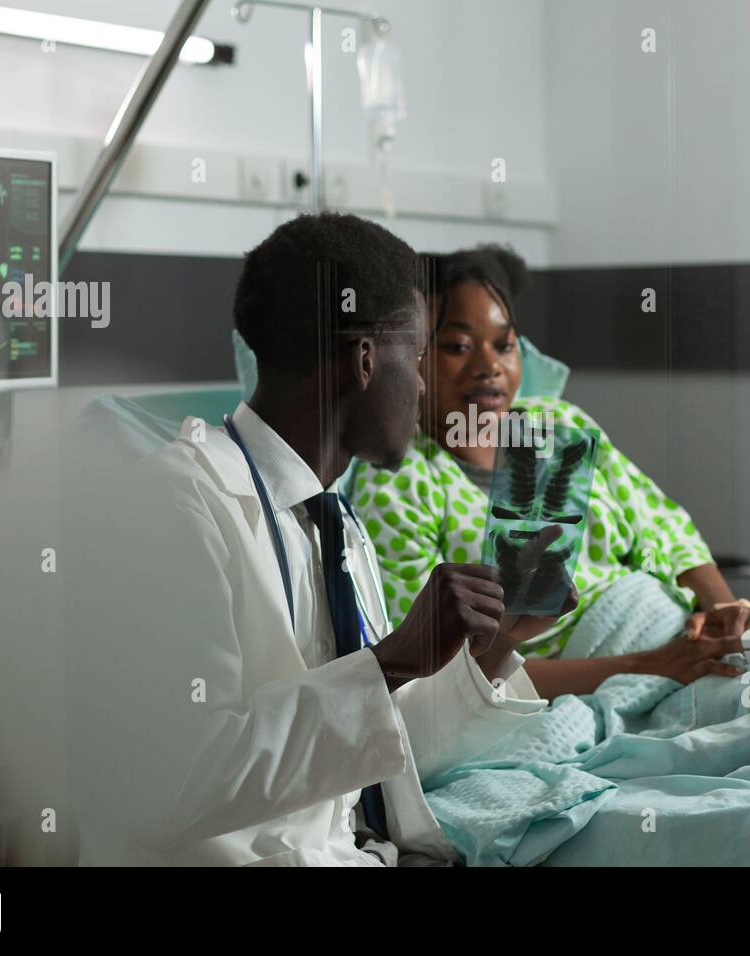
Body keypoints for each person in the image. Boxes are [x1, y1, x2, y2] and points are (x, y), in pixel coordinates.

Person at [68, 215, 568, 866]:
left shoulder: (332, 523)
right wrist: (390, 661)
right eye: (418, 356)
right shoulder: (175, 509)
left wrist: (497, 642)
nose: (422, 388)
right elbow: (165, 782)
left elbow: (378, 744)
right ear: (363, 359)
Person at [350, 245, 750, 700]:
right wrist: (647, 667)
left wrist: (728, 611)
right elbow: (440, 675)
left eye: (504, 345)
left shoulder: (555, 427)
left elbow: (664, 530)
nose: (488, 367)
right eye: (457, 346)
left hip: (684, 634)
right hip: (596, 682)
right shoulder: (397, 484)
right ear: (410, 357)